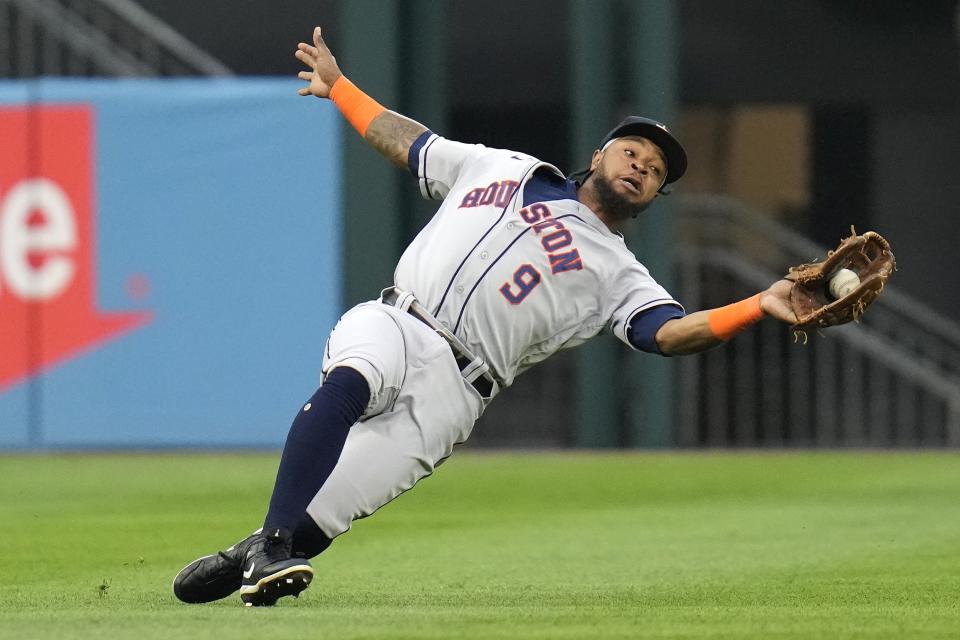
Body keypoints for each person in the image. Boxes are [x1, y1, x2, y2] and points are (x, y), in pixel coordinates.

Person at [172, 26, 799, 607]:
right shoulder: (503, 165)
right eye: (633, 152)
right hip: (402, 320)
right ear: (600, 153)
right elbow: (411, 143)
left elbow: (668, 333)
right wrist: (340, 89)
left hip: (458, 390)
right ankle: (272, 547)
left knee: (328, 514)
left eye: (655, 171)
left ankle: (253, 553)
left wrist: (757, 304)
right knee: (352, 380)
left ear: (654, 197)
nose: (641, 166)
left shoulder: (618, 270)